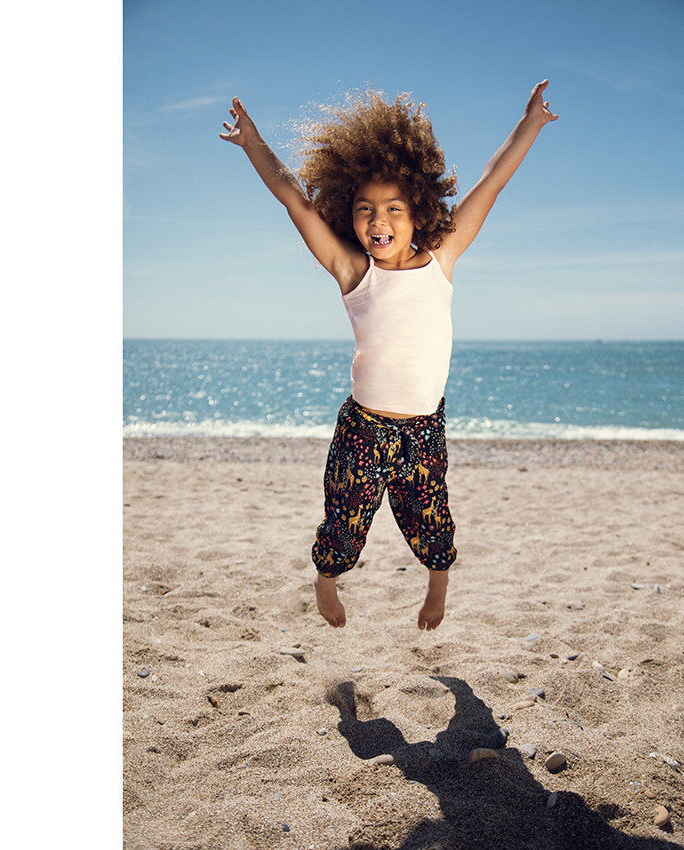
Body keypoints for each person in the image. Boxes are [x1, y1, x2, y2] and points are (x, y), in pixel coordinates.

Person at [220, 81, 558, 630]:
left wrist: (529, 124)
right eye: (365, 210)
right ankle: (325, 580)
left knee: (433, 522)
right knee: (344, 528)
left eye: (394, 209)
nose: (379, 221)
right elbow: (294, 200)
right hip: (363, 428)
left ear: (419, 209)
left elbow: (491, 184)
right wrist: (255, 143)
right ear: (349, 216)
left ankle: (437, 590)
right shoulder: (355, 272)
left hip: (424, 429)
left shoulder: (443, 257)